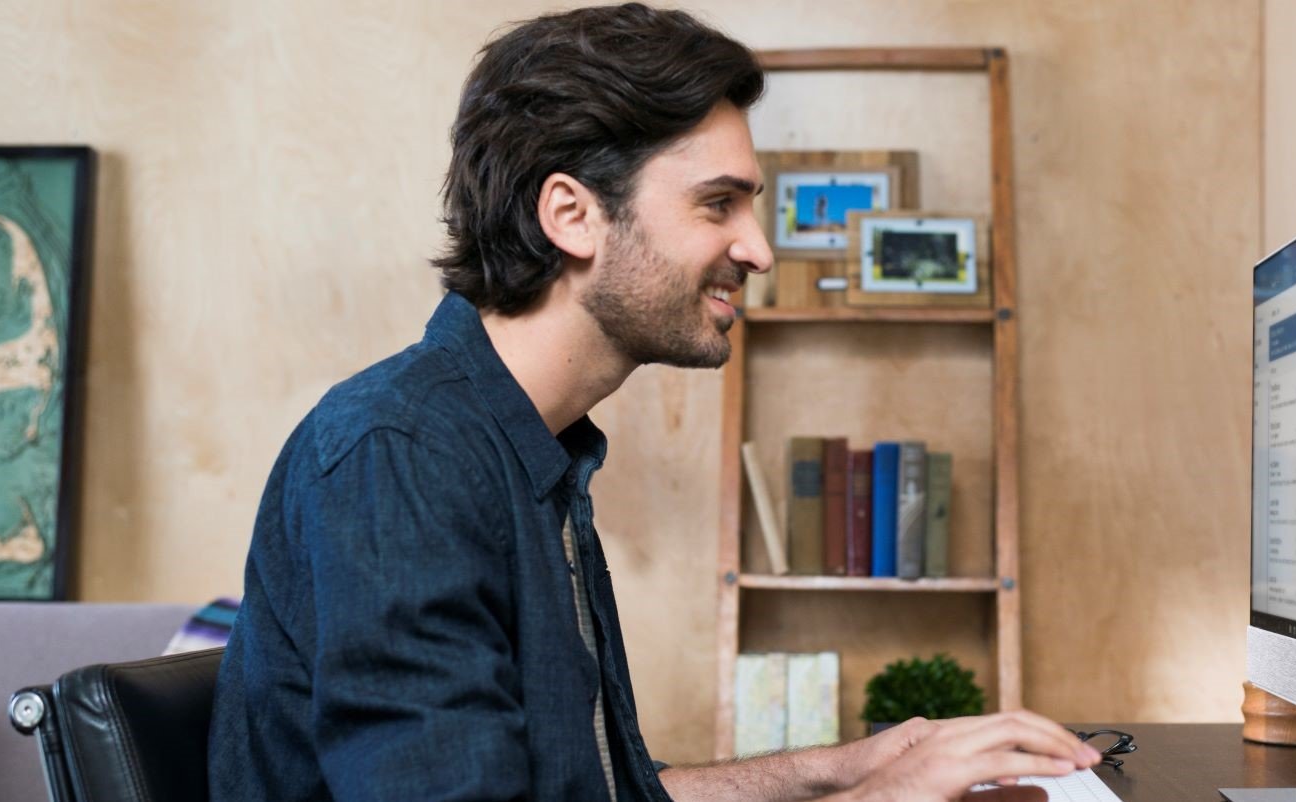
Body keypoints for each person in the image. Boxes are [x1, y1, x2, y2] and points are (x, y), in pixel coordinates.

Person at [207, 5, 1100, 801]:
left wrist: (858, 764)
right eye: (718, 204)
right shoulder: (400, 454)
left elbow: (611, 788)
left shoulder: (532, 452)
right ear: (572, 215)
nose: (757, 248)